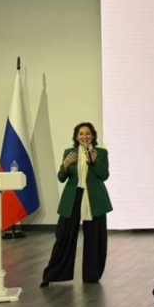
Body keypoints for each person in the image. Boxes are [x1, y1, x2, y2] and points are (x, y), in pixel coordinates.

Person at [40, 122, 112, 287]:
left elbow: (104, 176)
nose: (84, 137)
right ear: (76, 137)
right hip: (73, 196)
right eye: (81, 134)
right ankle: (53, 275)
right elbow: (61, 178)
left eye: (88, 134)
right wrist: (65, 167)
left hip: (94, 199)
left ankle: (91, 275)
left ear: (93, 136)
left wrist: (94, 161)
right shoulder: (69, 153)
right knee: (64, 235)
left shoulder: (101, 153)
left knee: (94, 237)